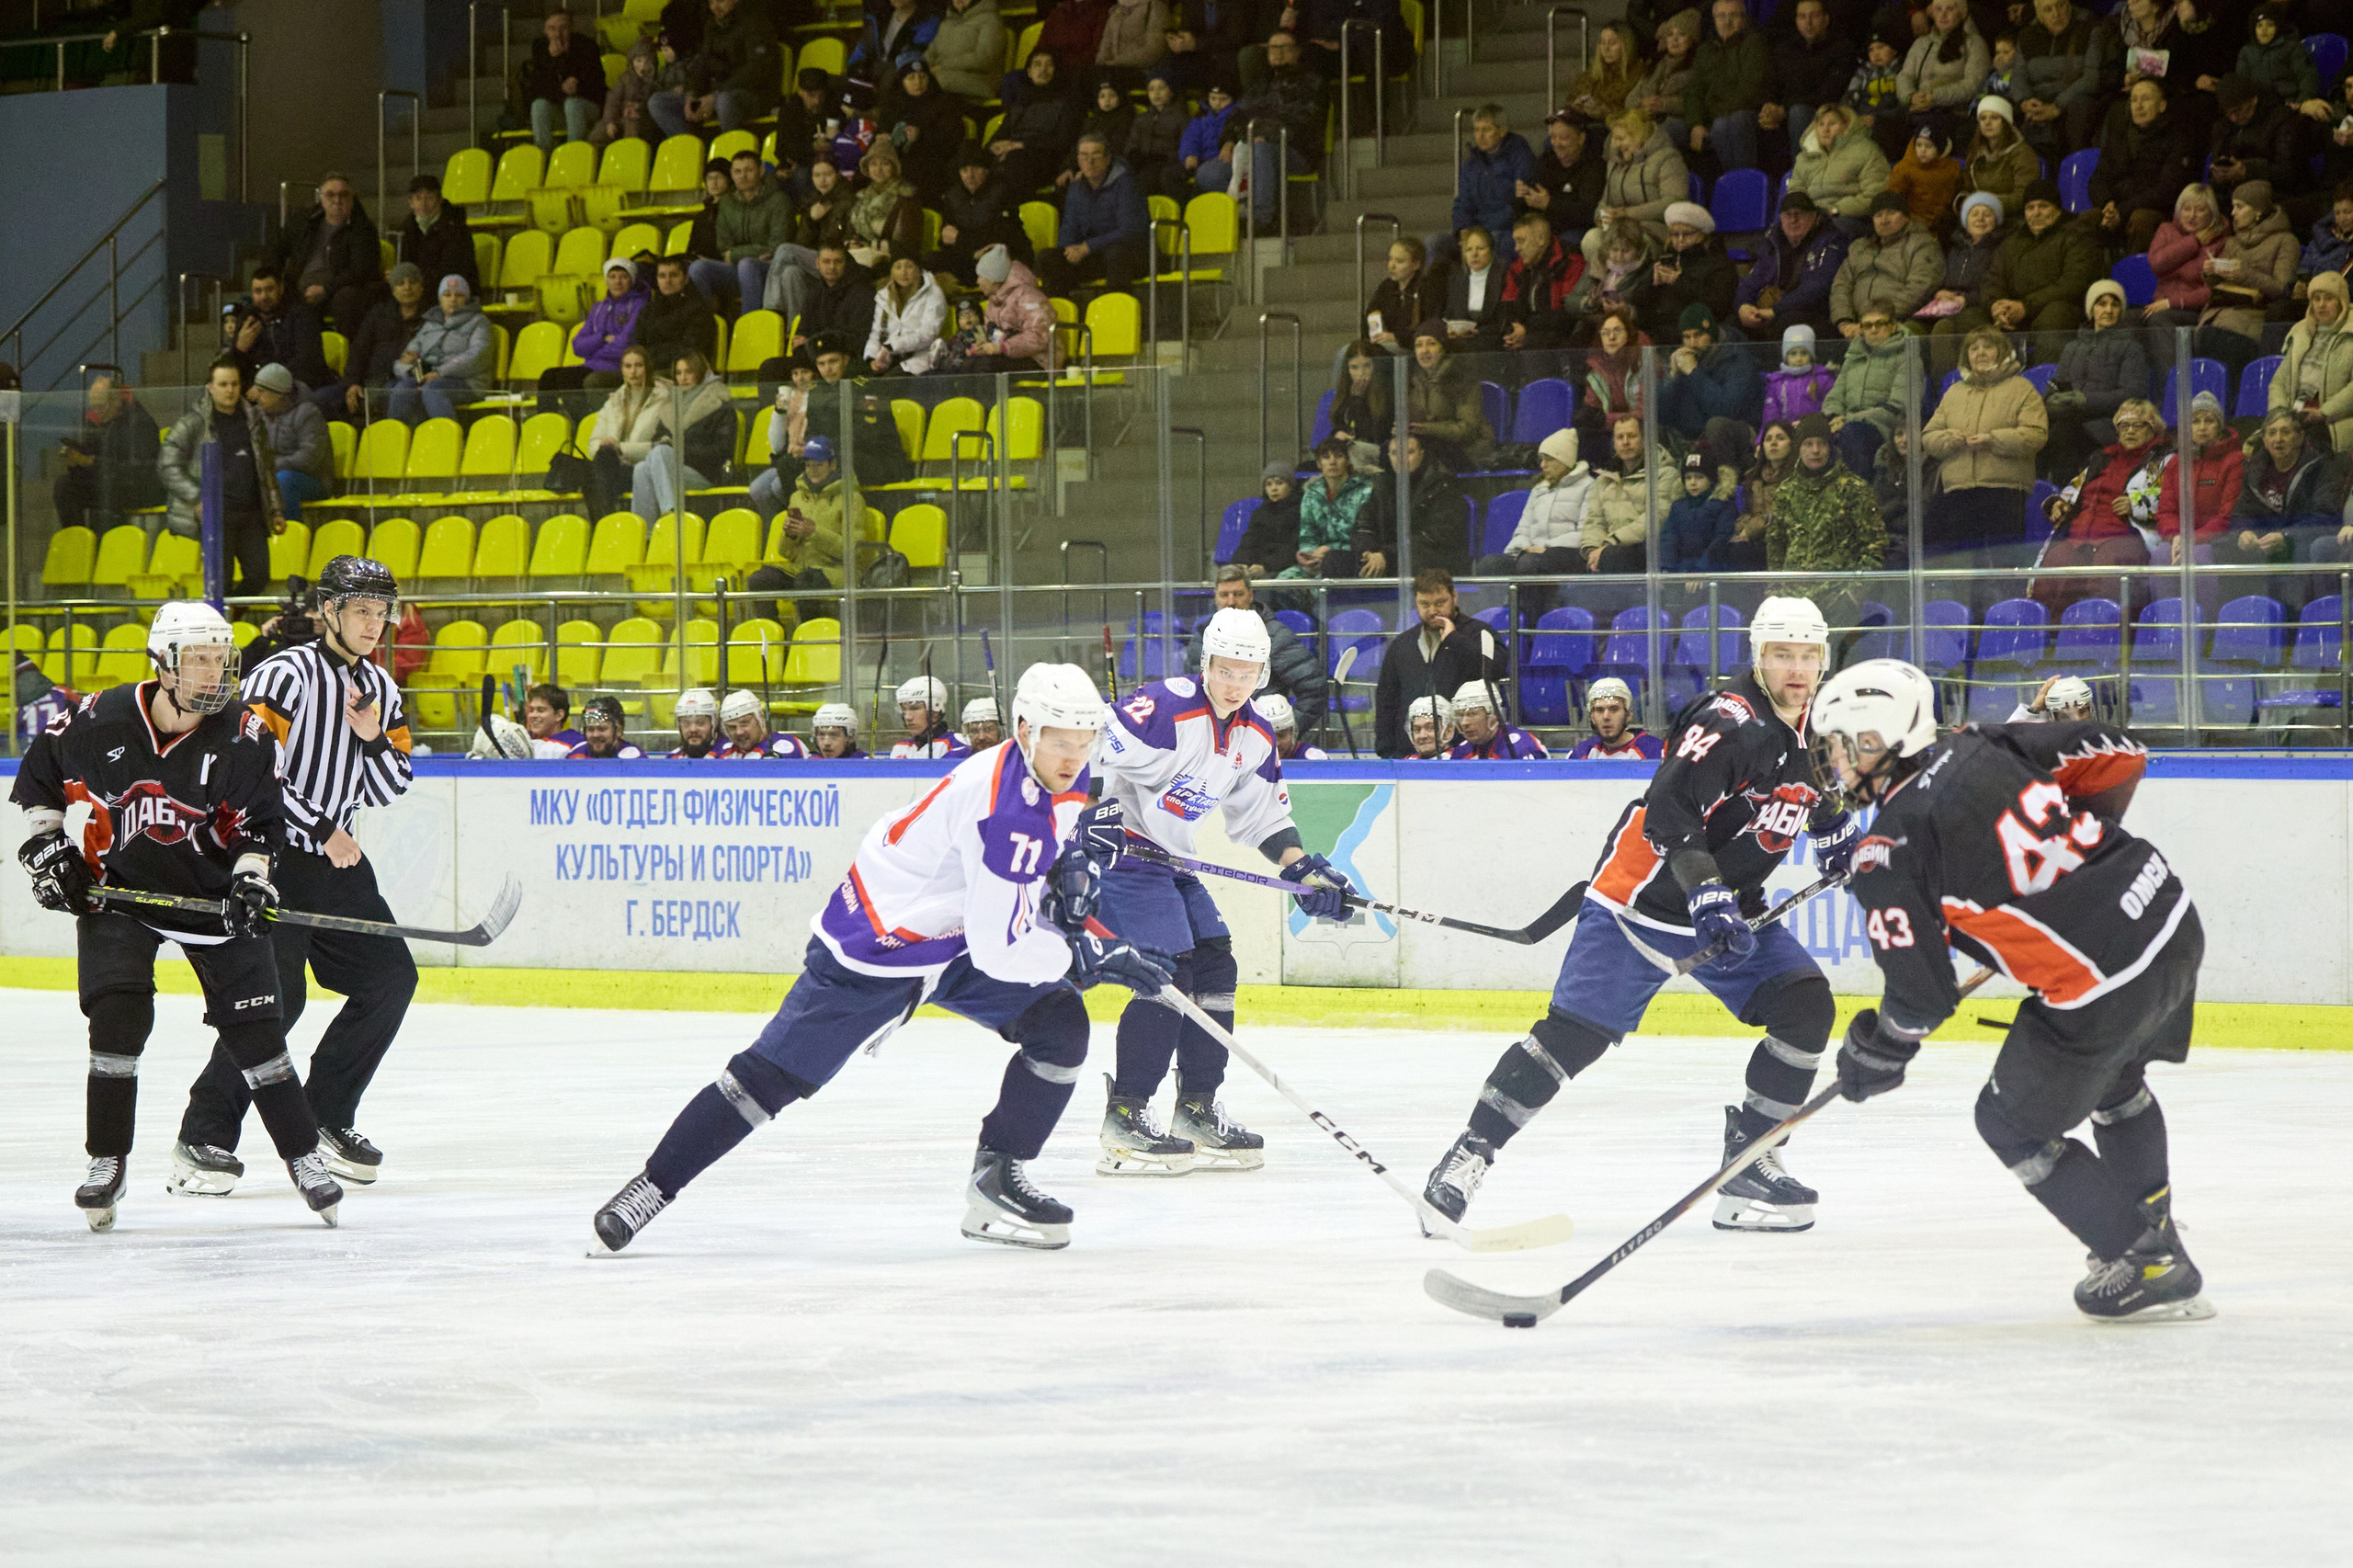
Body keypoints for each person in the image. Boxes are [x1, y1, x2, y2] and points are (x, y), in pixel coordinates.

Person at [590, 664, 1176, 1254]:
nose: (1074, 756)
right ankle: (652, 1187)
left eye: (1084, 741)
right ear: (1025, 730)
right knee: (767, 1081)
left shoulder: (1055, 768)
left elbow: (1050, 845)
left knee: (1058, 1023)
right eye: (1060, 740)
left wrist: (1069, 865)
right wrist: (1087, 955)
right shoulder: (1005, 806)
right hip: (878, 945)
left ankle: (996, 1180)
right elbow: (1003, 947)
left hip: (954, 934)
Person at [1421, 597, 1858, 1233]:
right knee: (1568, 1043)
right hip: (1642, 902)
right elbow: (1670, 814)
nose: (1797, 668)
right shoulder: (1729, 722)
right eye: (1781, 655)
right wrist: (1704, 892)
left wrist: (1836, 828)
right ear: (1757, 657)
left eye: (1808, 655)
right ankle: (1470, 1154)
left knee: (1806, 1006)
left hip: (1733, 907)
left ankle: (1752, 1165)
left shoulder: (1821, 720)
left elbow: (1812, 780)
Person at [1814, 659, 2211, 1322]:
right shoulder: (1979, 741)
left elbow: (1920, 999)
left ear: (1877, 742)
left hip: (2102, 980)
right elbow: (2116, 749)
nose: (1834, 760)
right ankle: (2151, 1221)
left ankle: (2147, 1257)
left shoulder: (1886, 850)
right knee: (2115, 1081)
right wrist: (2065, 857)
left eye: (1840, 745)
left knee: (2008, 1122)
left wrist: (1874, 1052)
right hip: (2167, 913)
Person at [11, 600, 346, 1231]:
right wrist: (48, 843)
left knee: (257, 1035)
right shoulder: (98, 718)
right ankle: (106, 1160)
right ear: (164, 663)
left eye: (220, 658)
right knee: (117, 1015)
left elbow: (260, 827)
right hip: (123, 896)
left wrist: (252, 883)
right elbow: (39, 777)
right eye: (198, 659)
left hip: (213, 898)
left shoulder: (244, 735)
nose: (212, 671)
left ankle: (303, 1157)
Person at [163, 557, 415, 1191]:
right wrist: (324, 828)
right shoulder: (284, 673)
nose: (374, 623)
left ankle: (327, 1115)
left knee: (391, 978)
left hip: (336, 861)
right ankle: (202, 1137)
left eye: (382, 612)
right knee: (276, 999)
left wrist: (373, 738)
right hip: (270, 858)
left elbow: (394, 784)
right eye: (361, 610)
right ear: (328, 610)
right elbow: (257, 772)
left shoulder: (380, 689)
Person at [1085, 609, 1356, 1175]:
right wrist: (1089, 811)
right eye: (1226, 670)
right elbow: (1084, 743)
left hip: (1167, 857)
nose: (1235, 684)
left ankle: (1196, 1109)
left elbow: (1262, 819)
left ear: (1263, 674)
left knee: (1214, 963)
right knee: (1168, 968)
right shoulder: (1164, 708)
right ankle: (1126, 1114)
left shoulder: (1255, 736)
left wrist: (1302, 869)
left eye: (1248, 673)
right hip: (1119, 853)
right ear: (1206, 663)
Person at [1922, 326, 2050, 583]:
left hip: (2004, 491)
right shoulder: (1954, 392)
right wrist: (1950, 440)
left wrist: (1993, 440)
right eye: (1974, 348)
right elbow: (1929, 436)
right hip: (1958, 491)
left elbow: (2036, 434)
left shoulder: (2021, 389)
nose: (1980, 353)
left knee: (2002, 573)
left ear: (2001, 352)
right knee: (1962, 575)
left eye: (1987, 347)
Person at [1935, 180, 2094, 373]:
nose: (2036, 213)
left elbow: (2073, 284)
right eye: (2030, 207)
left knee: (2055, 315)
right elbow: (1992, 280)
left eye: (2043, 206)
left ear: (2058, 210)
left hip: (2053, 309)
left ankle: (2046, 389)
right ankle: (1948, 393)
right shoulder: (2013, 241)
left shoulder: (2076, 236)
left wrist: (2025, 307)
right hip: (2012, 311)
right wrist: (1996, 305)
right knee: (1950, 327)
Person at [158, 358, 282, 597]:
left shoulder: (253, 420)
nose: (230, 390)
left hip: (251, 513)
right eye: (223, 384)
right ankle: (222, 627)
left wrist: (276, 509)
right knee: (219, 585)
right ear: (210, 387)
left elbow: (266, 468)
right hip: (217, 516)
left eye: (234, 384)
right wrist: (196, 498)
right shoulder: (193, 423)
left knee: (259, 576)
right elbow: (167, 464)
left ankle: (229, 623)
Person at [2036, 397, 2162, 614]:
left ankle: (2113, 640)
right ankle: (2053, 641)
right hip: (2079, 537)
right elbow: (2074, 488)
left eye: (2138, 425)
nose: (2130, 431)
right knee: (2055, 564)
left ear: (2152, 429)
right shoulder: (2102, 458)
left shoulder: (2162, 459)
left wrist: (2136, 504)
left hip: (2123, 535)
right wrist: (2060, 502)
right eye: (2124, 425)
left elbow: (2171, 497)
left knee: (2108, 570)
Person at [1370, 568, 1509, 757]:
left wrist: (1454, 640)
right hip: (1409, 752)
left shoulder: (1479, 633)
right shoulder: (1402, 643)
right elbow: (1387, 698)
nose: (1433, 611)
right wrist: (1386, 749)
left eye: (1440, 603)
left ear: (1454, 597)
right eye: (1424, 604)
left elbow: (1496, 669)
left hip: (1465, 751)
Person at [1769, 413, 1887, 628]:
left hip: (1837, 603)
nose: (1815, 450)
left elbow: (1874, 546)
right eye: (1808, 444)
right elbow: (1776, 544)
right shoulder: (1785, 492)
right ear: (1799, 448)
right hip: (1791, 604)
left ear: (1830, 447)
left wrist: (1853, 594)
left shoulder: (1854, 489)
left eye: (1821, 444)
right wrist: (1775, 591)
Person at [1180, 567, 1327, 737]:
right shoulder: (1202, 635)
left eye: (1238, 594)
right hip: (1214, 738)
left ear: (1250, 596)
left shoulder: (1274, 635)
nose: (1230, 601)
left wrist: (1283, 733)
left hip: (1258, 736)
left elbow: (1314, 689)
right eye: (1224, 595)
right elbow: (1192, 690)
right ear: (1215, 597)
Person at [2043, 279, 2155, 482]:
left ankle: (2066, 497)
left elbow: (2132, 394)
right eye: (2102, 304)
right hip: (2070, 420)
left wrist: (2084, 400)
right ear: (2091, 309)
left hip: (2105, 425)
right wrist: (2051, 399)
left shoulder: (2131, 347)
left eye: (2114, 304)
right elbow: (2057, 386)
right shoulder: (2072, 347)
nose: (2108, 310)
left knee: (2062, 434)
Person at [2189, 181, 2298, 386]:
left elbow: (2282, 287)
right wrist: (2211, 274)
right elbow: (2219, 285)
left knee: (2222, 345)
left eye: (2239, 207)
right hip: (2218, 316)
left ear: (2257, 211)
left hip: (2252, 318)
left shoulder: (2285, 241)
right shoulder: (2233, 242)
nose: (2233, 213)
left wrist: (2245, 274)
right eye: (2233, 206)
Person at [1211, 30, 1324, 229]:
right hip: (1253, 144)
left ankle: (1262, 219)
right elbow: (1237, 116)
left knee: (1261, 151)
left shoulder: (1311, 82)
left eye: (1284, 47)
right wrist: (1229, 140)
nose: (1278, 53)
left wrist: (1267, 136)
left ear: (1297, 51)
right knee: (1208, 173)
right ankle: (1225, 220)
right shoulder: (1261, 84)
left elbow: (1301, 121)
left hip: (1295, 150)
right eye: (1273, 47)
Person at [745, 432, 846, 629]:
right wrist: (790, 536)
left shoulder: (849, 499)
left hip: (835, 570)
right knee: (761, 579)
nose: (812, 470)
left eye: (818, 465)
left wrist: (814, 532)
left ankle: (810, 637)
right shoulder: (798, 497)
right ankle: (773, 641)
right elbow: (785, 552)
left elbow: (854, 551)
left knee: (805, 581)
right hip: (802, 569)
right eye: (808, 465)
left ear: (832, 465)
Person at [1473, 430, 1594, 595]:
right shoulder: (1539, 489)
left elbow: (1586, 534)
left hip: (1567, 554)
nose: (1542, 465)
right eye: (1541, 459)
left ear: (1564, 460)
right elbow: (1523, 529)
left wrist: (1545, 548)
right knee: (1490, 564)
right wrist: (1522, 547)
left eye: (1549, 459)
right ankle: (1499, 617)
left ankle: (1531, 617)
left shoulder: (1589, 486)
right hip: (1533, 555)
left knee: (1529, 564)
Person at [2223, 411, 2347, 565]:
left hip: (2302, 542)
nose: (2278, 439)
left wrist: (2287, 537)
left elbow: (2325, 518)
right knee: (2225, 546)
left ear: (2300, 438)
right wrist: (2243, 532)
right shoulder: (2255, 470)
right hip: (2266, 544)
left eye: (2285, 432)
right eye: (2272, 433)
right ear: (2265, 441)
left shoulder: (2321, 467)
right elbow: (2241, 513)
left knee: (2302, 550)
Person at [2087, 79, 2193, 253]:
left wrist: (2123, 210)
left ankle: (2136, 277)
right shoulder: (2118, 138)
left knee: (2140, 220)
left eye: (2145, 99)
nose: (2138, 105)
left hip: (2153, 210)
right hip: (2117, 208)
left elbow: (2167, 189)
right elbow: (2098, 179)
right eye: (2134, 100)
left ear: (2162, 106)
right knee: (2088, 219)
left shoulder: (2176, 139)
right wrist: (2107, 204)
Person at [1350, 432, 1473, 582]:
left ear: (1422, 454)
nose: (1401, 459)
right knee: (1336, 561)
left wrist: (1387, 554)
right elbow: (1364, 525)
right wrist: (1368, 551)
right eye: (1395, 453)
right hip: (1388, 557)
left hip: (1432, 559)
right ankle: (1348, 606)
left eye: (1409, 452)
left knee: (1414, 563)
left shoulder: (1443, 486)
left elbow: (1435, 537)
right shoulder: (1382, 485)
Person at [271, 174, 383, 337]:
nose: (337, 200)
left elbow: (361, 270)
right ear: (321, 198)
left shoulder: (363, 229)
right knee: (264, 297)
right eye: (331, 195)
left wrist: (326, 289)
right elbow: (276, 248)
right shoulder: (305, 222)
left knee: (346, 299)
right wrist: (274, 280)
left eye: (343, 195)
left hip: (336, 290)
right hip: (297, 286)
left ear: (352, 198)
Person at [315, 262, 428, 423]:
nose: (407, 287)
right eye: (400, 283)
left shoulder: (431, 318)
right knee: (321, 398)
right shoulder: (378, 313)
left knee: (393, 394)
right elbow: (358, 352)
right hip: (367, 384)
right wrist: (352, 384)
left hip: (400, 384)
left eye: (412, 282)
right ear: (393, 289)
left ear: (421, 287)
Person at [649, 0, 780, 136]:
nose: (715, 7)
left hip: (754, 94)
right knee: (658, 102)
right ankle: (692, 149)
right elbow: (703, 63)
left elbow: (756, 70)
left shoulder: (755, 22)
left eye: (721, 1)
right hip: (716, 92)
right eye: (711, 2)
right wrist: (692, 94)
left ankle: (730, 151)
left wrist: (715, 95)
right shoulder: (712, 25)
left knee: (724, 100)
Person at [52, 372, 163, 533]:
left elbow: (137, 472)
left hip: (140, 488)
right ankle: (78, 542)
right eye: (93, 406)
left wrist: (92, 462)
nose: (96, 412)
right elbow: (92, 462)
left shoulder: (139, 422)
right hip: (109, 482)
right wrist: (76, 464)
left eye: (101, 406)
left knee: (107, 490)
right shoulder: (96, 422)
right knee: (65, 486)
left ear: (117, 401)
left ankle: (103, 546)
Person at [1734, 191, 1851, 342]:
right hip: (1775, 310)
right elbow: (1751, 280)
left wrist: (1775, 310)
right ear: (1781, 218)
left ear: (1814, 216)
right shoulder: (1773, 242)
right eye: (1788, 215)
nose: (1793, 220)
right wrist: (1743, 306)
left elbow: (1818, 288)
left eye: (1799, 214)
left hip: (1816, 313)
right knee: (1735, 322)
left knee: (1787, 323)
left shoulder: (1831, 241)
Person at [1040, 132, 1151, 292]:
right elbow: (1069, 228)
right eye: (1084, 155)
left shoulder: (1126, 184)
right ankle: (1062, 312)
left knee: (1116, 254)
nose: (1089, 161)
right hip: (1096, 254)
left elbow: (1130, 230)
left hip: (1132, 254)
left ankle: (1114, 313)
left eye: (1096, 154)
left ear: (1107, 159)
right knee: (1049, 258)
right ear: (1078, 160)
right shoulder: (1076, 188)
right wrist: (1069, 251)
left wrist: (1088, 246)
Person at [539, 259, 647, 415]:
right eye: (613, 276)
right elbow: (577, 346)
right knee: (548, 377)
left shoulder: (639, 305)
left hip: (619, 367)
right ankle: (547, 426)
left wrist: (593, 349)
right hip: (592, 365)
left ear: (631, 279)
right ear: (606, 280)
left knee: (568, 379)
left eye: (623, 276)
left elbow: (625, 346)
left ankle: (584, 424)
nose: (618, 281)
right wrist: (602, 338)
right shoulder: (598, 308)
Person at [691, 148, 791, 312]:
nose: (742, 176)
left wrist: (736, 254)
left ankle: (750, 326)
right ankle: (705, 326)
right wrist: (744, 254)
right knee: (698, 268)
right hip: (736, 269)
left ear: (761, 170)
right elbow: (723, 246)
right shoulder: (727, 202)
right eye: (737, 171)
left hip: (770, 268)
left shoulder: (779, 201)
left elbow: (777, 246)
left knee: (746, 265)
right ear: (731, 174)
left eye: (749, 170)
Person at [1832, 191, 1942, 337]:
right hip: (1857, 325)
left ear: (1905, 216)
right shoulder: (1859, 248)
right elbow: (1842, 286)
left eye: (1891, 213)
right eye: (1878, 215)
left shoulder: (1922, 244)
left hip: (1899, 320)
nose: (1884, 220)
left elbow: (1919, 288)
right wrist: (1844, 322)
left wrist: (1877, 320)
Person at [1579, 412, 1677, 575]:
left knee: (1611, 557)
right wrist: (1592, 549)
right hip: (1607, 548)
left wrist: (1611, 542)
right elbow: (1594, 521)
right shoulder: (1603, 480)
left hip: (1647, 549)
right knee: (1557, 558)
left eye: (1631, 436)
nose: (1625, 442)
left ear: (1645, 439)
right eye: (1620, 437)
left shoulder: (1665, 474)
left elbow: (1657, 518)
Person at [1587, 108, 1689, 263]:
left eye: (1620, 139)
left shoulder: (1668, 159)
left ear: (1639, 136)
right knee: (1591, 239)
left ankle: (1626, 285)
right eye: (1614, 138)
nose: (1614, 144)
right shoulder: (1614, 164)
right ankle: (1605, 285)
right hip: (1619, 230)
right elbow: (1605, 202)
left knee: (1634, 245)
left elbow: (1674, 202)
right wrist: (1601, 218)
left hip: (1654, 231)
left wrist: (1627, 214)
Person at [387, 276, 493, 425]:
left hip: (467, 382)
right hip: (430, 378)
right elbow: (408, 355)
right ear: (440, 298)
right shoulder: (430, 323)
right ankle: (400, 441)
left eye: (459, 295)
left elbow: (478, 355)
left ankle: (448, 440)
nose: (453, 299)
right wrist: (408, 367)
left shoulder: (479, 322)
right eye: (447, 295)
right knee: (402, 388)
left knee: (433, 389)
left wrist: (440, 372)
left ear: (467, 299)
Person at [1684, 0, 1775, 171]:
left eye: (1733, 15)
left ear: (1744, 19)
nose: (1727, 22)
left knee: (1727, 124)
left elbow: (1751, 91)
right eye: (1721, 16)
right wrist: (1696, 124)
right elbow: (1693, 91)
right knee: (1669, 129)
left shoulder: (1754, 43)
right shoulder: (1706, 50)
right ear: (1714, 20)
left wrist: (1711, 118)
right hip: (1711, 118)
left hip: (1746, 114)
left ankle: (1739, 185)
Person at [1626, 201, 1736, 341]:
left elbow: (1717, 307)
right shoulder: (1667, 259)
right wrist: (1652, 283)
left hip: (1691, 333)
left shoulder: (1720, 265)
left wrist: (1679, 282)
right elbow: (1636, 298)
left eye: (1687, 234)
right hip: (1657, 328)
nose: (1680, 240)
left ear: (1703, 234)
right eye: (1674, 234)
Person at [2155, 391, 2244, 563]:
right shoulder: (2175, 463)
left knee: (2198, 556)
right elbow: (2166, 511)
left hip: (2219, 539)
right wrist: (2176, 536)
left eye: (2209, 421)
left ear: (2219, 426)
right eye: (2195, 421)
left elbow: (2227, 515)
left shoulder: (2234, 461)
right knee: (2161, 555)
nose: (2202, 427)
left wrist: (2193, 540)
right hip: (2181, 539)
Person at [2272, 269, 2353, 453]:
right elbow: (2278, 383)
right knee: (2259, 450)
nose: (2321, 305)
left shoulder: (2351, 333)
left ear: (2341, 302)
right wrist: (2280, 415)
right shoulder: (2300, 332)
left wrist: (2323, 412)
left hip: (2335, 422)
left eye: (2328, 299)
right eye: (2316, 299)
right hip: (2295, 417)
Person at [1657, 303, 1763, 439]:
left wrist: (1694, 373)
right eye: (1686, 337)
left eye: (1698, 335)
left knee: (1716, 425)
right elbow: (1661, 415)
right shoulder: (1686, 358)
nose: (1692, 343)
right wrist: (1672, 376)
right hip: (1694, 435)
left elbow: (1727, 410)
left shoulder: (1737, 359)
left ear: (1712, 333)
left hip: (1734, 433)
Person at [1895, 0, 1990, 148]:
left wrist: (1934, 98)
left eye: (1950, 9)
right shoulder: (1921, 43)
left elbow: (1973, 85)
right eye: (1938, 9)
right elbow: (1904, 75)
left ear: (1961, 13)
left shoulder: (1974, 43)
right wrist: (1911, 96)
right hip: (1918, 109)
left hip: (1954, 113)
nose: (1943, 14)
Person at [245, 363, 333, 523]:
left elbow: (309, 458)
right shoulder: (257, 415)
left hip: (311, 480)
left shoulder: (308, 414)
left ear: (278, 394)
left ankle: (290, 535)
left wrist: (271, 466)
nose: (257, 396)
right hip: (270, 474)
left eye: (262, 391)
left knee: (283, 480)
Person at [993, 47, 1084, 197]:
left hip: (1044, 160)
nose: (1043, 70)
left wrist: (1021, 145)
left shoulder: (1068, 102)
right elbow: (1000, 134)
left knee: (1015, 160)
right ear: (1029, 72)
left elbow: (1063, 141)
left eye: (1049, 65)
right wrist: (995, 147)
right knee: (970, 156)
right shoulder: (1020, 102)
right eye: (1037, 64)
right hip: (1012, 155)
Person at [228, 263, 332, 392]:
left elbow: (306, 363)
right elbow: (232, 368)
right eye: (258, 291)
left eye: (269, 290)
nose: (264, 296)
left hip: (302, 387)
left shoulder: (301, 314)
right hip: (260, 391)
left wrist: (268, 386)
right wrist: (239, 349)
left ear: (281, 288)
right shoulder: (247, 319)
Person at [1788, 103, 1891, 233]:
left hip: (1848, 219)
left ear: (1846, 126)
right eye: (1821, 124)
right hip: (1811, 219)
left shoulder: (1867, 151)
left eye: (1832, 124)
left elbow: (1874, 196)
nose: (1825, 129)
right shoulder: (1804, 158)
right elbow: (1795, 191)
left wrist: (1835, 209)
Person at [1771, 0, 1857, 153]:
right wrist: (1770, 108)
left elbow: (1829, 94)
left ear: (1826, 19)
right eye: (1802, 17)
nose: (1808, 22)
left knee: (1799, 113)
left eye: (1814, 16)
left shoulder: (1842, 49)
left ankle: (1801, 173)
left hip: (1825, 113)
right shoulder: (1787, 50)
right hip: (1789, 111)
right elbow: (1777, 85)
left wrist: (1785, 109)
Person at [1283, 437, 1373, 582]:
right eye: (1326, 457)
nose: (1332, 462)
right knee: (1282, 582)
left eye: (1338, 456)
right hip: (1318, 562)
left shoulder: (1365, 492)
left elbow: (1364, 538)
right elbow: (1308, 536)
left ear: (1348, 461)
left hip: (1349, 561)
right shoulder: (1311, 494)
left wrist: (1329, 552)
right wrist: (1309, 555)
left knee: (1320, 586)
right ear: (1319, 464)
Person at [523, 7, 607, 150]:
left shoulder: (587, 46)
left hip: (587, 106)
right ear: (545, 30)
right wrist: (556, 60)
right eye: (552, 29)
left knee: (572, 104)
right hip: (558, 108)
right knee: (539, 105)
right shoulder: (540, 49)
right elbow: (537, 88)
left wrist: (576, 86)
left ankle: (574, 154)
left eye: (563, 28)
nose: (558, 34)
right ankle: (545, 157)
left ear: (571, 28)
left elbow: (597, 85)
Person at [1454, 104, 1537, 244]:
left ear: (1502, 131)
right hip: (1479, 232)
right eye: (1476, 130)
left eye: (1486, 130)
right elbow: (1463, 203)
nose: (1479, 136)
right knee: (1436, 243)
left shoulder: (1520, 156)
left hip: (1508, 229)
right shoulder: (1471, 165)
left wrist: (1483, 230)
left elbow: (1519, 202)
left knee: (1497, 241)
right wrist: (1463, 228)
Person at [1518, 113, 1606, 245]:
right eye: (1553, 137)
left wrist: (1549, 204)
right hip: (1545, 226)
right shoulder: (1546, 161)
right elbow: (1529, 204)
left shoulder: (1595, 167)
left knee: (1566, 241)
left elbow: (1588, 212)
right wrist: (1522, 196)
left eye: (1564, 138)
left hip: (1577, 230)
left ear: (1581, 138)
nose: (1557, 143)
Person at [971, 244, 1058, 371]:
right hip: (1009, 356)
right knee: (970, 363)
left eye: (981, 276)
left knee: (986, 365)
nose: (978, 281)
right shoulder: (994, 300)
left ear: (993, 279)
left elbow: (1040, 335)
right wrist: (983, 345)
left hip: (1038, 359)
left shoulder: (1028, 296)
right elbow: (990, 330)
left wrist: (1005, 347)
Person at [390, 173, 479, 294]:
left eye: (429, 198)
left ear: (440, 200)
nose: (423, 204)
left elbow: (452, 270)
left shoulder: (456, 229)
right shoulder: (406, 229)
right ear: (411, 202)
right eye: (418, 198)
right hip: (418, 290)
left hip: (450, 292)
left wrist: (415, 281)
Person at [864, 256, 948, 374]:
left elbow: (928, 334)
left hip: (919, 360)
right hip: (887, 358)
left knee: (886, 385)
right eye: (898, 267)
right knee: (858, 382)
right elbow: (876, 333)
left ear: (918, 269)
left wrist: (893, 346)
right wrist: (872, 358)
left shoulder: (933, 294)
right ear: (892, 271)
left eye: (909, 266)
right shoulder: (884, 296)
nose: (903, 272)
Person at [1662, 445, 1740, 572]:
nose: (1693, 482)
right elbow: (1668, 538)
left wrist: (1701, 570)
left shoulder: (1723, 505)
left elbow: (1721, 539)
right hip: (1680, 571)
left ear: (1711, 480)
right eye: (1688, 477)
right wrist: (1666, 568)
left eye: (1699, 477)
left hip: (1711, 570)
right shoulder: (1678, 507)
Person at [636, 254, 719, 373]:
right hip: (649, 371)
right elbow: (639, 347)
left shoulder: (699, 310)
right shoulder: (647, 310)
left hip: (683, 374)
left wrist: (652, 356)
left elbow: (691, 352)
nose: (667, 281)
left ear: (685, 279)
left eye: (674, 275)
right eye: (662, 276)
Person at [1630, 9, 1699, 145]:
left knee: (1660, 131)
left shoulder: (1697, 68)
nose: (1674, 40)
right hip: (1648, 118)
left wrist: (1664, 104)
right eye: (1670, 34)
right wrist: (1643, 103)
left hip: (1676, 121)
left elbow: (1696, 102)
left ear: (1692, 38)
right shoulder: (1655, 65)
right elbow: (1630, 99)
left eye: (1682, 34)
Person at [1364, 239, 1446, 351]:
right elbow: (1369, 316)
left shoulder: (1429, 288)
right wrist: (1374, 317)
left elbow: (1429, 325)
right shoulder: (1386, 286)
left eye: (1399, 261)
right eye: (1390, 259)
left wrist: (1396, 337)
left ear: (1416, 264)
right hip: (1385, 343)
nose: (1391, 266)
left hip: (1414, 346)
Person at [1564, 21, 1647, 128]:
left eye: (1612, 43)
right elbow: (1573, 99)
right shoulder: (1591, 74)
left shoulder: (1637, 73)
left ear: (1626, 45)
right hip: (1586, 122)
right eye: (1603, 43)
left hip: (1616, 126)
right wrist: (1575, 106)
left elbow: (1636, 110)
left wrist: (1606, 111)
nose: (1606, 49)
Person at [1886, 125, 1963, 234]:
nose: (1922, 150)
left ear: (1939, 149)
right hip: (1913, 226)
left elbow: (1958, 195)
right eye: (1919, 145)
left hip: (1944, 225)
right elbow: (1893, 198)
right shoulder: (1904, 169)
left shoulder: (1953, 168)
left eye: (1928, 146)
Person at [1229, 461, 1302, 578]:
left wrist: (1266, 566)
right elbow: (1249, 542)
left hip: (1285, 566)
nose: (1274, 489)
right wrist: (1242, 562)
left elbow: (1294, 548)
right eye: (1269, 484)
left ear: (1291, 486)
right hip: (1259, 566)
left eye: (1279, 483)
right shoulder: (1259, 513)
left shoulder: (1300, 511)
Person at [1442, 227, 1509, 349]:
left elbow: (1505, 318)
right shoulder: (1456, 281)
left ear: (1491, 251)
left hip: (1494, 342)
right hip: (1462, 344)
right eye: (1469, 249)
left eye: (1480, 248)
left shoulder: (1504, 276)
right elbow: (1450, 315)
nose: (1474, 254)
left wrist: (1480, 332)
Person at [1445, 681, 1549, 759]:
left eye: (1472, 714)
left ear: (1494, 715)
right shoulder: (1462, 751)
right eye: (1460, 715)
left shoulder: (1521, 747)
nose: (1464, 723)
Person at [926, 0, 1008, 99]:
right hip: (943, 75)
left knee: (940, 80)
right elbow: (930, 52)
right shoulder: (945, 22)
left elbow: (983, 60)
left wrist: (942, 66)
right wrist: (923, 66)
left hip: (981, 81)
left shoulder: (991, 21)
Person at [1325, 340, 1394, 456]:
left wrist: (1358, 401)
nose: (1361, 373)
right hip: (1347, 452)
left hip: (1377, 452)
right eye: (1354, 367)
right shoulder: (1343, 393)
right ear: (1347, 370)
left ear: (1375, 366)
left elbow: (1374, 434)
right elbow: (1339, 424)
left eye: (1367, 366)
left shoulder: (1387, 394)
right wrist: (1337, 434)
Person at [1566, 676, 1662, 757]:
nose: (1606, 717)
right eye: (1599, 710)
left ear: (1628, 715)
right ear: (1592, 717)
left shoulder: (1653, 751)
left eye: (1614, 709)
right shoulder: (1583, 752)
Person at [593, 36, 663, 147]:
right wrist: (611, 121)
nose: (642, 65)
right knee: (599, 132)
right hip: (621, 119)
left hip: (645, 123)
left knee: (632, 124)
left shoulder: (657, 82)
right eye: (638, 61)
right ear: (632, 62)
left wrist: (638, 109)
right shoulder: (625, 80)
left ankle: (632, 157)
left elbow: (656, 104)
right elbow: (612, 100)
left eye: (647, 61)